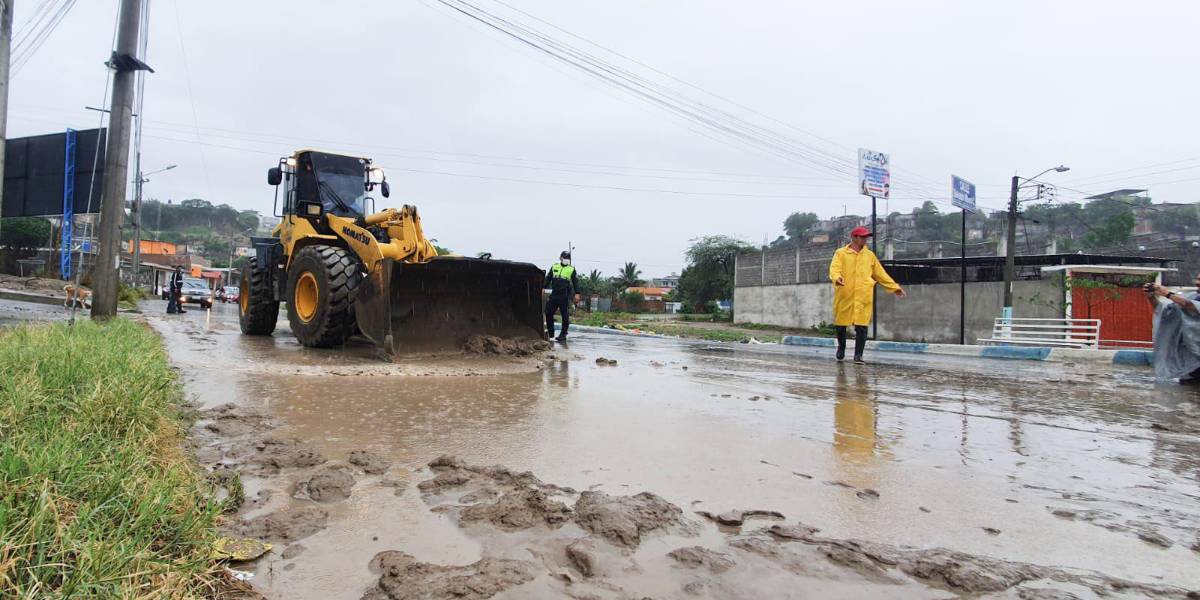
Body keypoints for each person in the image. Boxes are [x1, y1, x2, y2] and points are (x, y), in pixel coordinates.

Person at [828, 226, 905, 364]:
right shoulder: (841, 253)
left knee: (862, 326)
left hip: (863, 295)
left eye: (866, 237)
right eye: (862, 237)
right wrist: (837, 278)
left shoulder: (869, 256)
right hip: (845, 294)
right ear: (854, 238)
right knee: (841, 324)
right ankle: (841, 347)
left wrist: (894, 288)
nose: (865, 239)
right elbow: (834, 268)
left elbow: (880, 274)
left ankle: (858, 355)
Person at [1145, 276, 1200, 382]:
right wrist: (1151, 298)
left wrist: (1167, 293)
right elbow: (1167, 312)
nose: (1197, 282)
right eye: (1197, 279)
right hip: (1190, 360)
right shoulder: (1193, 296)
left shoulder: (1190, 301)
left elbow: (1188, 305)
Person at [544, 250, 580, 342]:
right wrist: (543, 287)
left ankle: (563, 334)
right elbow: (548, 278)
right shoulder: (555, 266)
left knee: (565, 316)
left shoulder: (571, 269)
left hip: (564, 296)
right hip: (554, 294)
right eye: (565, 258)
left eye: (568, 258)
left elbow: (575, 282)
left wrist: (577, 293)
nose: (566, 260)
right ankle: (551, 332)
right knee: (548, 312)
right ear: (560, 258)